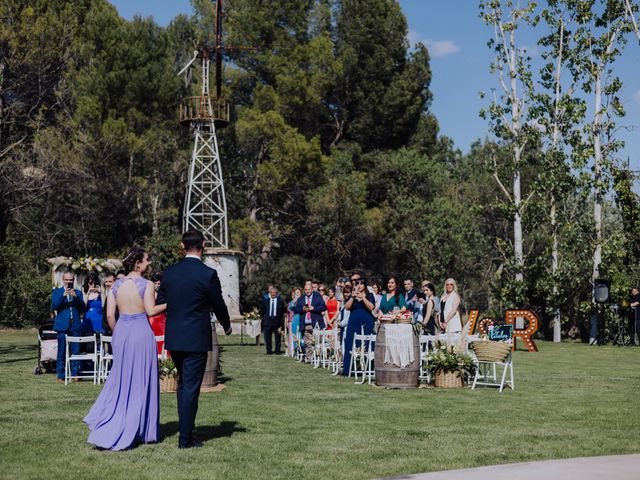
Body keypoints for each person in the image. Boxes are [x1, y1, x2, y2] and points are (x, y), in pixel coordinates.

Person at [83, 247, 166, 450]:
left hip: (121, 332)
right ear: (138, 263)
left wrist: (118, 332)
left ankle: (113, 420)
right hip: (140, 332)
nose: (149, 263)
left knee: (120, 379)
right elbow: (151, 310)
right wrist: (171, 303)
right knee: (141, 380)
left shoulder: (116, 286)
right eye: (147, 260)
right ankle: (140, 429)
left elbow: (110, 315)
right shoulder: (146, 284)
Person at [157, 230, 232, 449]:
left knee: (183, 386)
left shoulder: (169, 273)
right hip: (195, 338)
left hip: (175, 336)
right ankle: (185, 440)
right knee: (190, 388)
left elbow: (162, 301)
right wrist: (226, 324)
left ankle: (186, 433)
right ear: (204, 244)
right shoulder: (207, 274)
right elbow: (218, 304)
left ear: (182, 246)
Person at [51, 270, 85, 383]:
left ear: (73, 280)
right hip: (62, 326)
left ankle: (75, 373)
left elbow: (82, 308)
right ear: (63, 280)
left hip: (75, 325)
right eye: (67, 280)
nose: (69, 282)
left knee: (75, 350)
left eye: (71, 280)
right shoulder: (57, 292)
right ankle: (61, 375)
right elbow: (54, 306)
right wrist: (63, 296)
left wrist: (76, 297)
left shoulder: (78, 293)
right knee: (61, 350)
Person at [342, 279, 375, 376]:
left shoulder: (370, 295)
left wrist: (363, 298)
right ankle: (349, 369)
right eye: (357, 284)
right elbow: (347, 307)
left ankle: (367, 369)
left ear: (365, 285)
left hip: (366, 323)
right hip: (353, 323)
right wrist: (353, 297)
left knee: (366, 344)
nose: (359, 286)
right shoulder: (353, 295)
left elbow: (371, 307)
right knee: (351, 343)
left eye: (361, 284)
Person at [292, 281, 327, 362]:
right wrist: (302, 309)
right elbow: (296, 309)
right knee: (308, 343)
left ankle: (319, 359)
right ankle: (310, 359)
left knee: (318, 342)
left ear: (312, 290)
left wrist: (313, 308)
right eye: (306, 289)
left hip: (316, 323)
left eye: (309, 289)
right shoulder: (301, 298)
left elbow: (324, 307)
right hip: (305, 324)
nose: (307, 291)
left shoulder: (317, 296)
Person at [261, 285, 285, 355]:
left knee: (278, 337)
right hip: (268, 321)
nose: (273, 294)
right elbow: (263, 310)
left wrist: (281, 320)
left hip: (277, 321)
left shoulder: (280, 301)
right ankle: (269, 350)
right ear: (270, 293)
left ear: (276, 293)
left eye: (274, 293)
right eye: (272, 293)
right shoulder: (266, 301)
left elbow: (282, 311)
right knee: (267, 336)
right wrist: (264, 318)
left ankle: (277, 350)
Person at [149, 272, 167, 354]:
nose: (157, 285)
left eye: (158, 283)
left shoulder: (163, 293)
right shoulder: (149, 293)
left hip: (161, 319)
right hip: (152, 320)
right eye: (155, 283)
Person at [287, 287, 302, 356]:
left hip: (301, 317)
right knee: (294, 334)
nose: (297, 294)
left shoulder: (303, 300)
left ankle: (302, 349)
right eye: (296, 293)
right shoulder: (293, 301)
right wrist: (294, 302)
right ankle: (295, 349)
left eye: (298, 292)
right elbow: (290, 308)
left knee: (301, 334)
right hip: (295, 318)